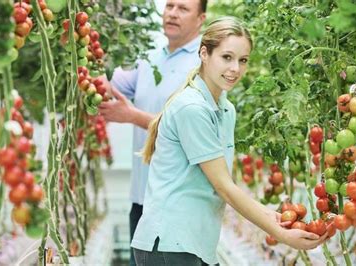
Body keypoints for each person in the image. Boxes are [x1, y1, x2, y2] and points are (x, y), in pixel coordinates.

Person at [130, 17, 328, 266]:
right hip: (170, 243)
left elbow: (222, 186)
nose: (235, 68)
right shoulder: (192, 108)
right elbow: (224, 187)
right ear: (204, 53)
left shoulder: (225, 109)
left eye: (242, 60)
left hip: (195, 241)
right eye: (226, 57)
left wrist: (276, 218)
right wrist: (280, 233)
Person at [98, 1, 207, 265]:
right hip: (142, 200)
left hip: (180, 205)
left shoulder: (204, 64)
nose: (172, 12)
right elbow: (109, 86)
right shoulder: (150, 57)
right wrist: (89, 45)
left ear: (201, 19)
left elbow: (192, 134)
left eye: (183, 8)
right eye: (169, 5)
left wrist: (133, 117)